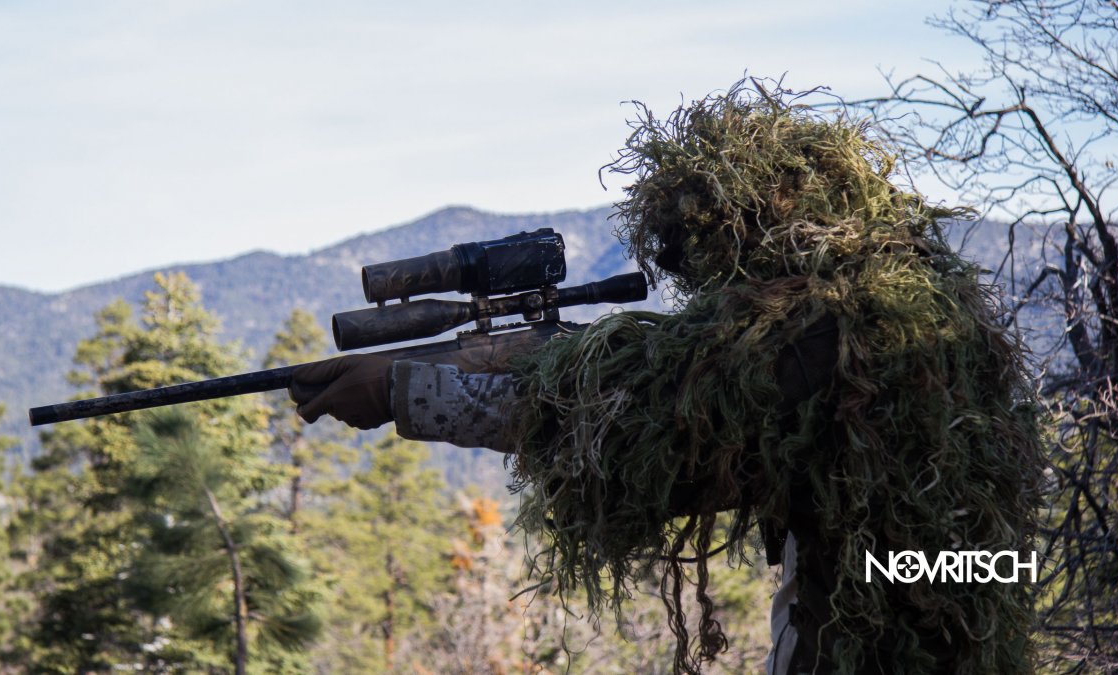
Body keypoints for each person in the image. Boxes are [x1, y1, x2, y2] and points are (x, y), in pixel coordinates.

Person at [289, 83, 1045, 674]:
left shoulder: (826, 329)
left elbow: (632, 429)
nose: (716, 288)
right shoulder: (913, 298)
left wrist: (401, 390)